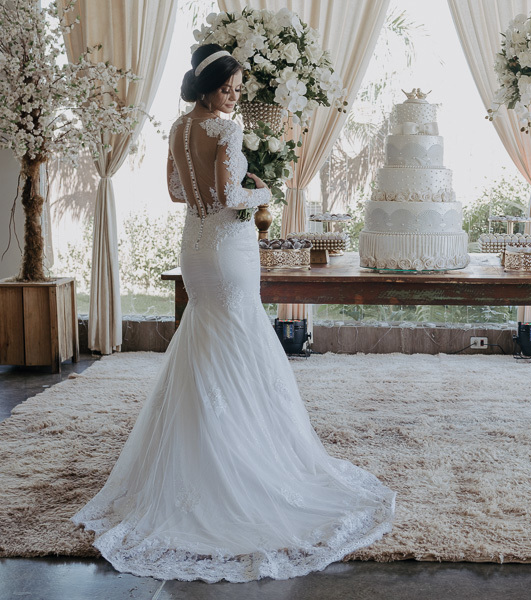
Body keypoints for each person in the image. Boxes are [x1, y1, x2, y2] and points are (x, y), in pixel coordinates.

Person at [72, 44, 396, 583]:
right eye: (228, 89)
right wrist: (260, 191)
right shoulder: (225, 131)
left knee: (204, 336)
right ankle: (242, 462)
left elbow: (179, 193)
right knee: (240, 336)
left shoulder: (177, 129)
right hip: (229, 247)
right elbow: (228, 194)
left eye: (238, 90)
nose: (234, 97)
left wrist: (220, 195)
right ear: (207, 87)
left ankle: (192, 456)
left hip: (195, 248)